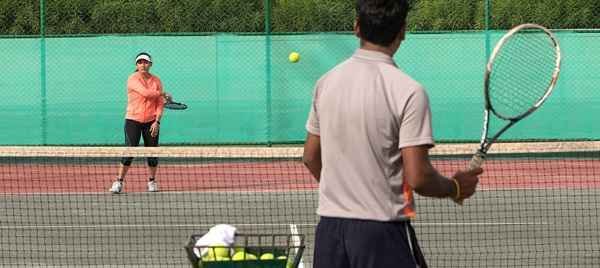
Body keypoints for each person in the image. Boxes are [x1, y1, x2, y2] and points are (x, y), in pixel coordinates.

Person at [302, 0, 483, 267]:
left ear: (356, 28)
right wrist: (455, 187)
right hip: (381, 234)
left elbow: (310, 157)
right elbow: (418, 177)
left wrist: (345, 195)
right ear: (402, 32)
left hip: (330, 232)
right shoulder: (409, 91)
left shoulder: (325, 83)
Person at [109, 52, 166, 194]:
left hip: (151, 122)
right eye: (140, 62)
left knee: (152, 152)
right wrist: (162, 93)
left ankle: (152, 181)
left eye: (145, 62)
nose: (143, 65)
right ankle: (119, 181)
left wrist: (157, 121)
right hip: (133, 120)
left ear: (150, 65)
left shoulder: (157, 80)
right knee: (130, 150)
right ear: (136, 65)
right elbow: (146, 93)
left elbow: (160, 103)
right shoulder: (132, 79)